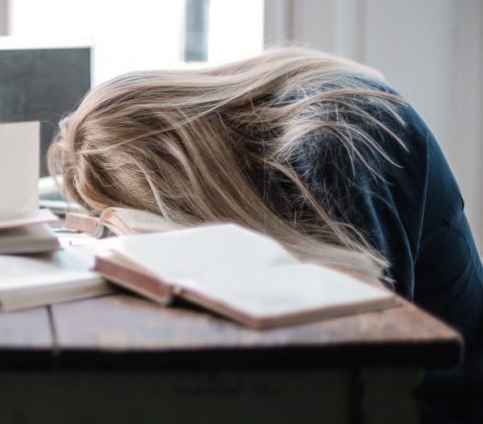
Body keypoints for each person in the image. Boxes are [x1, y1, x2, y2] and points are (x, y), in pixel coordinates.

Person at [48, 47, 482, 423]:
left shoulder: (334, 139)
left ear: (178, 181)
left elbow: (358, 357)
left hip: (435, 402)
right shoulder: (276, 126)